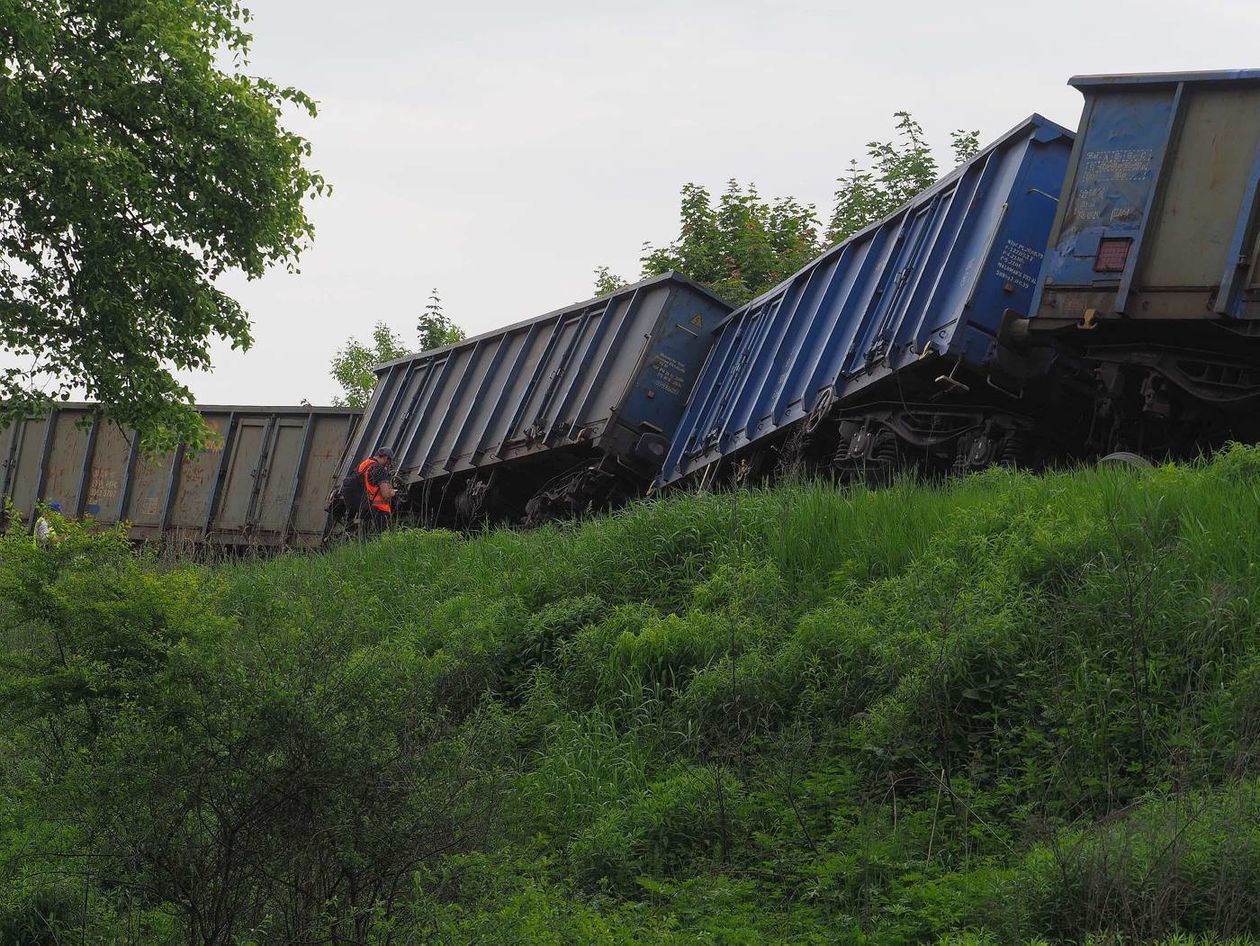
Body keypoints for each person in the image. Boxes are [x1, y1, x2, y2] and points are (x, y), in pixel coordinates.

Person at [356, 446, 396, 533]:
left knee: (365, 537)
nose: (388, 464)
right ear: (386, 458)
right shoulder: (379, 469)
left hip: (365, 505)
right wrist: (393, 492)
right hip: (379, 507)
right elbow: (386, 494)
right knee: (384, 535)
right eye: (389, 461)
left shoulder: (363, 465)